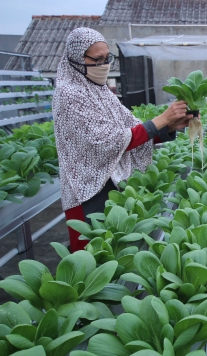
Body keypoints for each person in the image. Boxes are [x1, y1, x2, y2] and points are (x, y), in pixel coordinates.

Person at [53, 27, 192, 252]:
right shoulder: (69, 94)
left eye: (107, 58)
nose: (104, 65)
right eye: (97, 59)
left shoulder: (101, 91)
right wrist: (160, 120)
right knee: (93, 256)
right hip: (88, 189)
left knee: (119, 252)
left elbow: (131, 131)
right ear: (77, 59)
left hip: (115, 183)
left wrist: (168, 127)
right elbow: (107, 142)